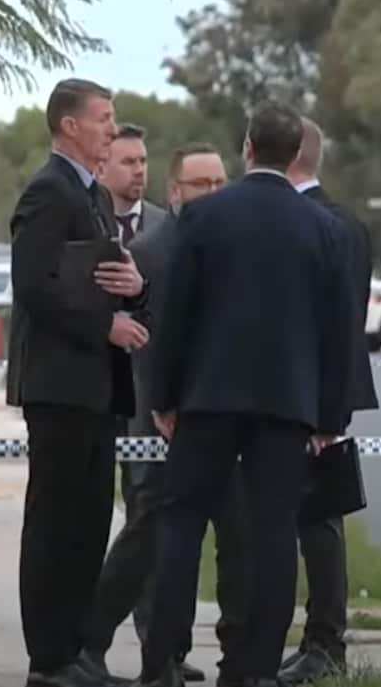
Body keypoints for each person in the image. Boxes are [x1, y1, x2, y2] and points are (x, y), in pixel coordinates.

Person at [136, 101, 356, 687]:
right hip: (287, 406)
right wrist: (330, 417)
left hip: (207, 400)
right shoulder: (326, 230)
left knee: (182, 526)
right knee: (274, 533)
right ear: (295, 156)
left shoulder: (203, 219)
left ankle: (160, 661)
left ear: (248, 150)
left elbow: (174, 315)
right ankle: (253, 668)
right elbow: (339, 334)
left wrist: (163, 397)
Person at [83, 142, 250, 684]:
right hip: (159, 416)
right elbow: (147, 338)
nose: (213, 193)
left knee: (229, 533)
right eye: (202, 184)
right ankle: (93, 639)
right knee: (149, 531)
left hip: (217, 415)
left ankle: (187, 652)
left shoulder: (230, 243)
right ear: (176, 192)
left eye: (221, 183)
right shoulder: (155, 249)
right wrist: (163, 404)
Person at [5, 77, 148, 687]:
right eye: (104, 119)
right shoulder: (49, 192)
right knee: (56, 524)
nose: (112, 130)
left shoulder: (89, 195)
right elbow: (35, 288)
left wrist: (135, 292)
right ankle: (49, 658)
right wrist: (105, 326)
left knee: (90, 525)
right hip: (60, 386)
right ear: (70, 125)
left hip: (96, 389)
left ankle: (76, 653)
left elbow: (99, 277)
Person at [278, 117, 379, 685]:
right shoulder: (332, 220)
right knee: (303, 523)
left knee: (319, 525)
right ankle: (313, 641)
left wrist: (327, 413)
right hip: (301, 395)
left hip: (314, 401)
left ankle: (325, 645)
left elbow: (343, 326)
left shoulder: (332, 224)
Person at [103, 123, 167, 246]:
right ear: (101, 169)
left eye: (142, 161)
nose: (139, 170)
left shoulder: (166, 227)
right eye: (128, 162)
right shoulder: (84, 224)